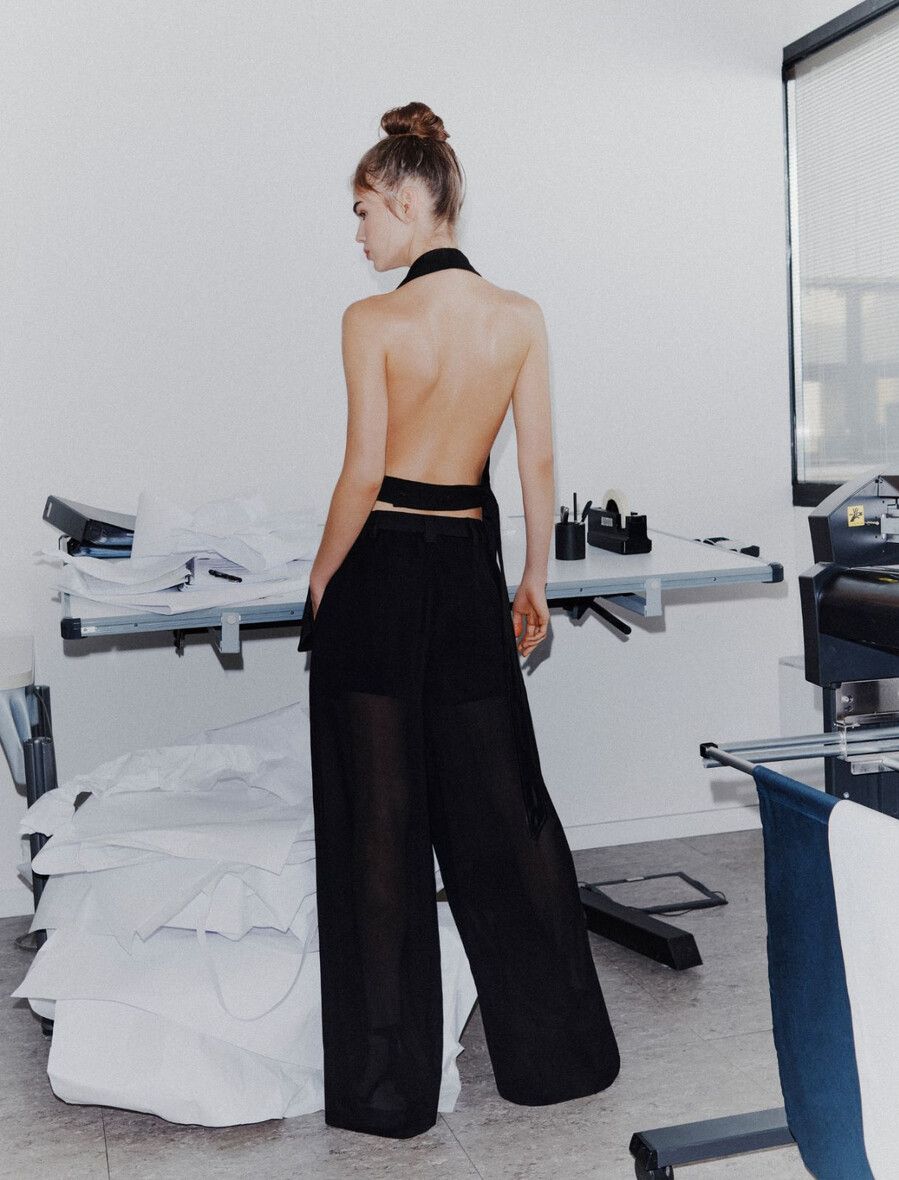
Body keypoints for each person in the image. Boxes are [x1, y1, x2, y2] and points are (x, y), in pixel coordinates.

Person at [302, 101, 619, 1140]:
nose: (358, 233)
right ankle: (560, 1057)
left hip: (380, 577)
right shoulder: (518, 315)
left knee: (378, 823)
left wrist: (320, 583)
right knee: (504, 812)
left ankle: (386, 1091)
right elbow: (537, 464)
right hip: (470, 571)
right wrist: (534, 580)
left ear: (406, 199)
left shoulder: (371, 322)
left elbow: (361, 473)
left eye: (363, 211)